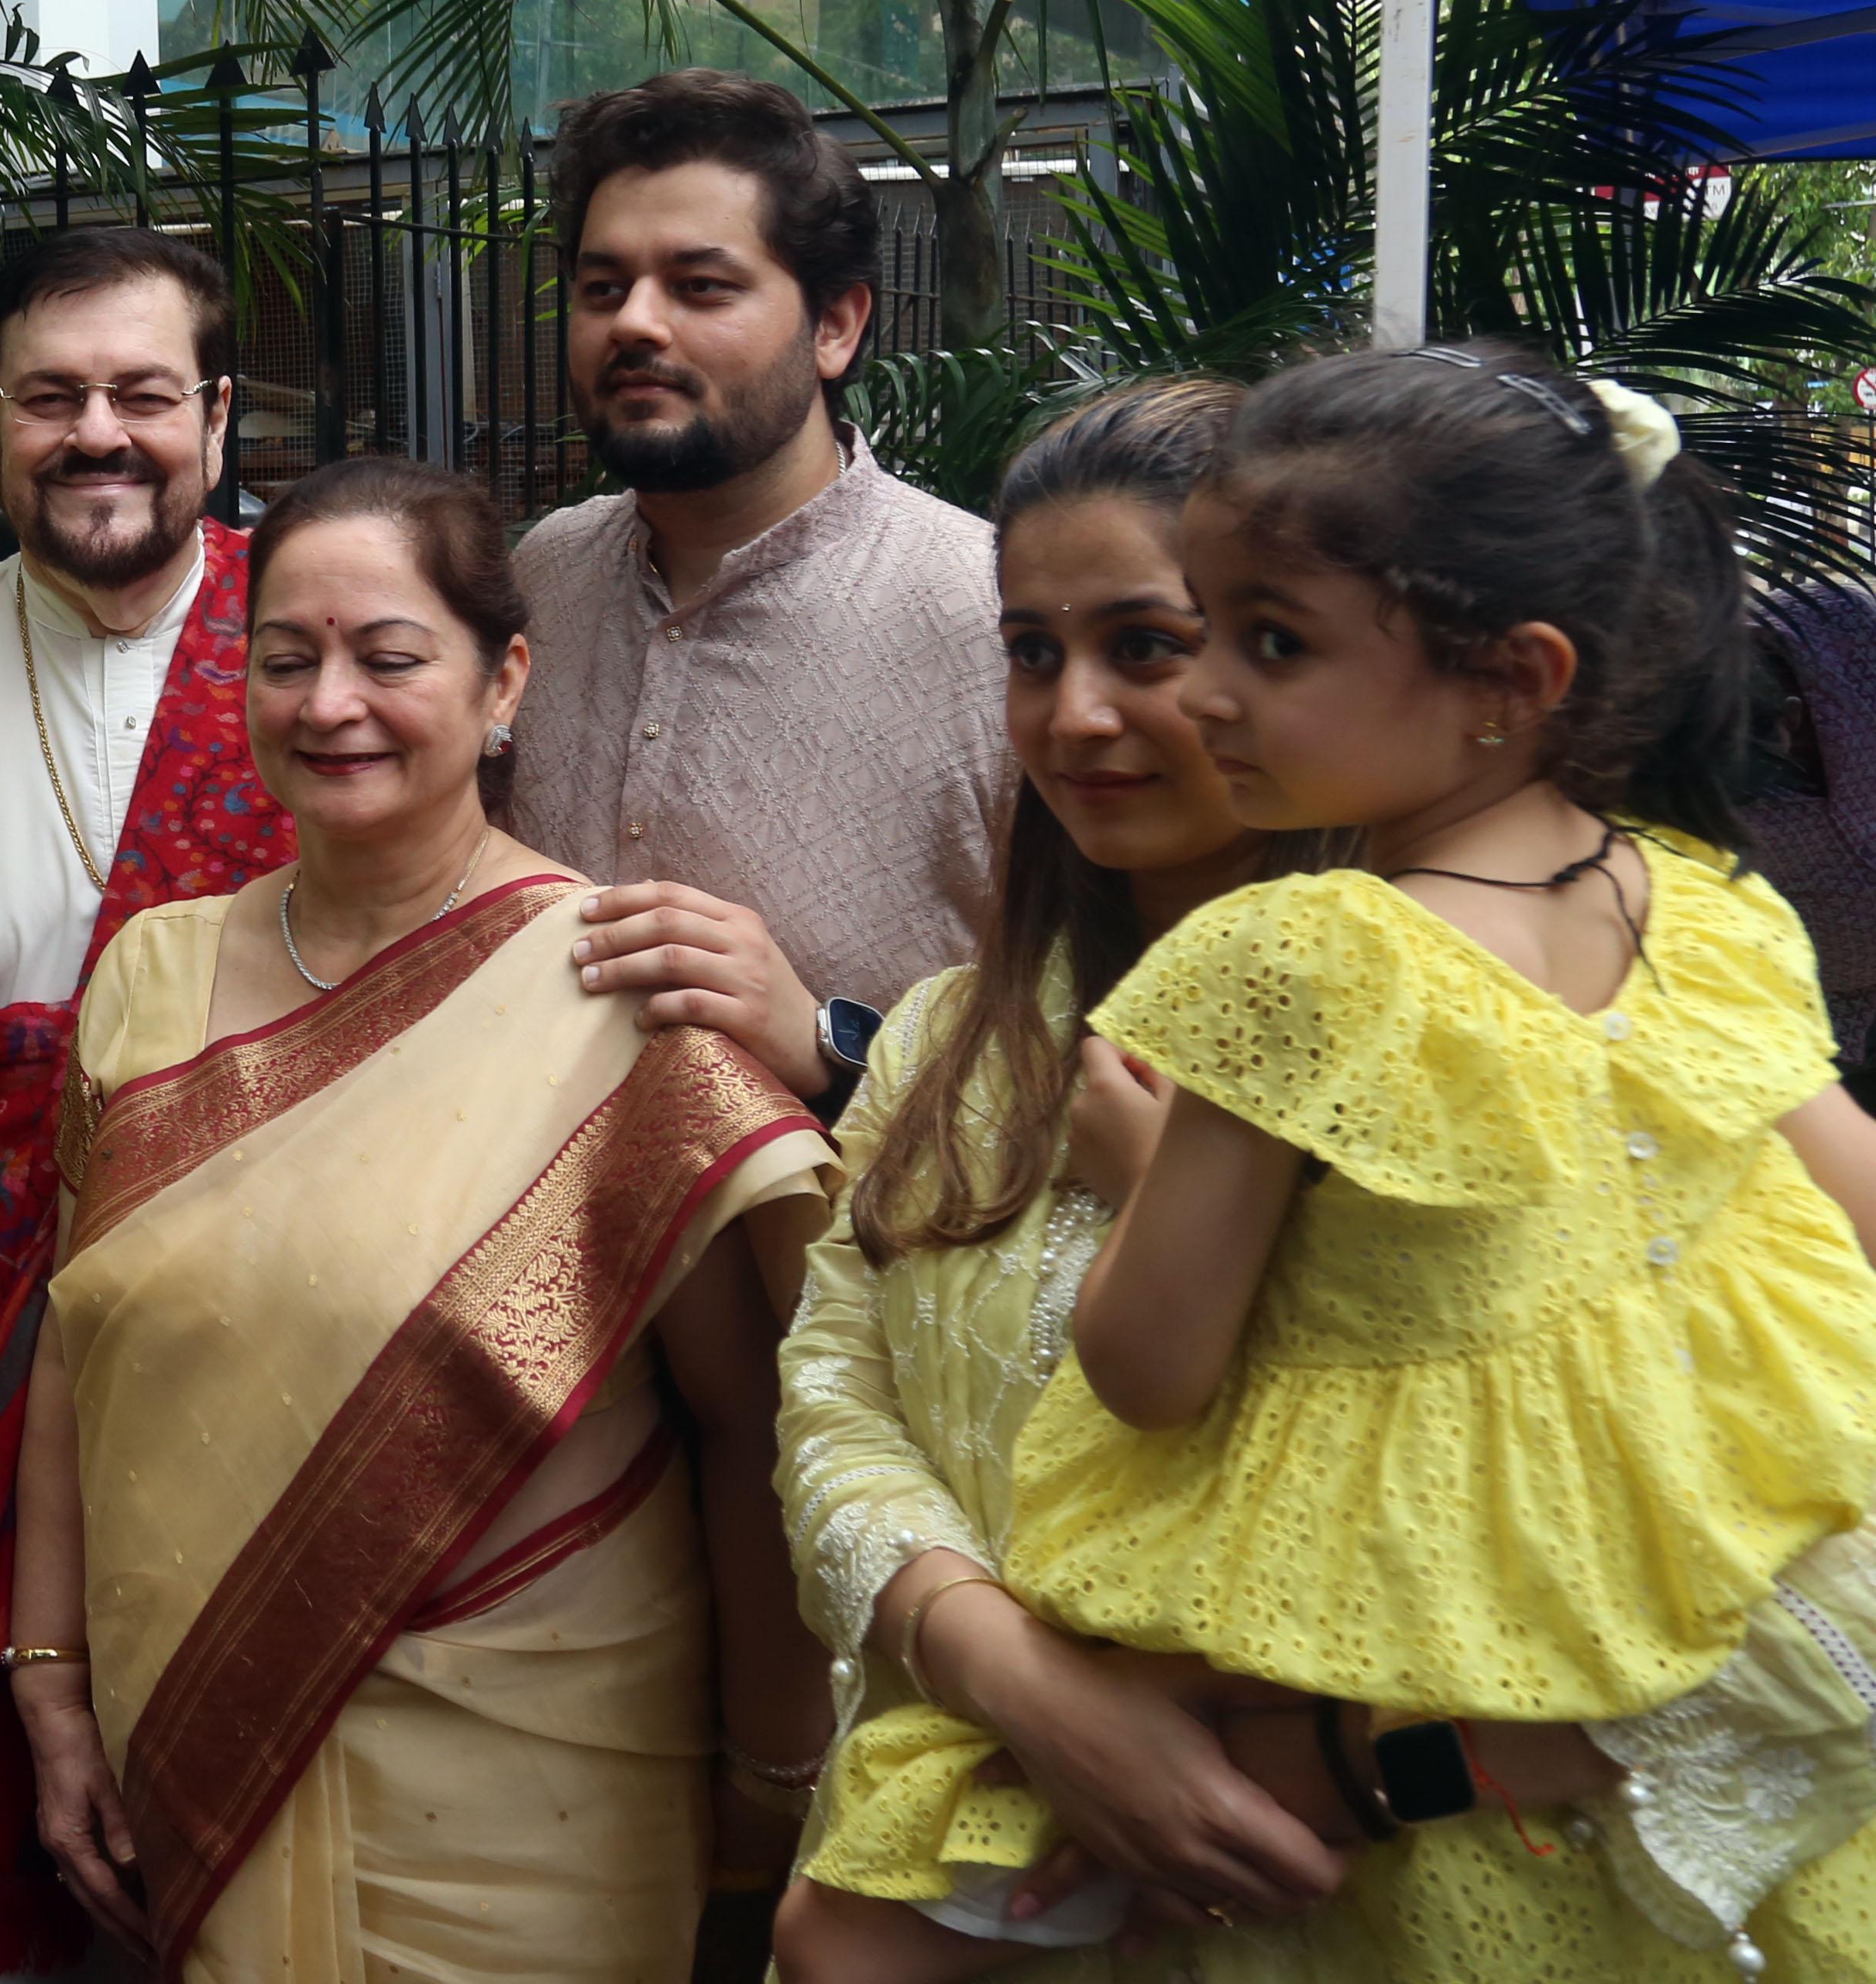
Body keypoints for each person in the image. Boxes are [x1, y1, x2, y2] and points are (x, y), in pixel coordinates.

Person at [784, 349, 1876, 1983]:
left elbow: (1770, 1470)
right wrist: (1033, 1694)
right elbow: (834, 1405)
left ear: (1493, 670)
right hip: (1056, 1796)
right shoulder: (948, 1047)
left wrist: (1366, 1765)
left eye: (1177, 643)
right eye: (1030, 651)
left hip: (1437, 1858)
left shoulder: (1344, 976)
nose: (1094, 712)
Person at [0, 455, 834, 1979]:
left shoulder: (616, 994)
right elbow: (74, 1343)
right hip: (190, 1753)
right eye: (286, 659)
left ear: (504, 680)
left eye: (389, 658)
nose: (330, 705)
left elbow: (749, 1420)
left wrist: (773, 1775)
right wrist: (50, 1676)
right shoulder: (151, 981)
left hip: (530, 1814)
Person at [0, 225, 293, 1973]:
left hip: (251, 1414)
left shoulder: (326, 654)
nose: (100, 434)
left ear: (219, 416)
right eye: (51, 397)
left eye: (144, 394)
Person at [510, 71, 1013, 1106]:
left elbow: (1108, 1031)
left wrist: (834, 1048)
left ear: (836, 327)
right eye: (604, 288)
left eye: (700, 287)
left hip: (856, 1251)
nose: (634, 324)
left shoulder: (997, 616)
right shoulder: (540, 579)